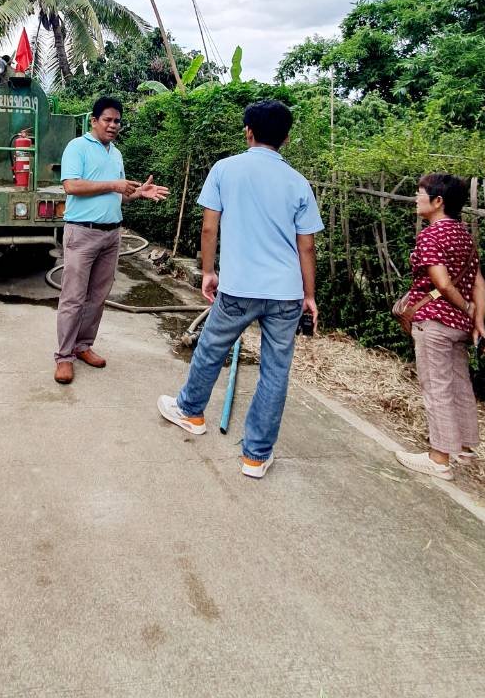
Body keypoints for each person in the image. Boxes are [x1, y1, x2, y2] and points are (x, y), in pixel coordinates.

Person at [157, 98, 322, 477]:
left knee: (212, 348)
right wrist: (309, 296)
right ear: (287, 138)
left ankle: (191, 412)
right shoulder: (297, 182)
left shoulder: (225, 169)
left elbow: (209, 227)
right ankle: (255, 456)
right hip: (286, 293)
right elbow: (307, 246)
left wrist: (209, 271)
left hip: (239, 286)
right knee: (275, 371)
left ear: (248, 131)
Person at [53, 95, 169, 384]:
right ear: (94, 121)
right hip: (82, 232)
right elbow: (71, 185)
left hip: (111, 234)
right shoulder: (77, 147)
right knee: (73, 298)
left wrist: (136, 193)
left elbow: (118, 196)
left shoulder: (115, 154)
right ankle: (64, 356)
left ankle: (83, 346)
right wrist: (114, 184)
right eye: (107, 119)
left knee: (97, 297)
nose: (113, 125)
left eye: (117, 121)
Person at [395, 173, 485, 480]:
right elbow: (479, 282)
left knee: (437, 387)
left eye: (421, 194)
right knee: (460, 384)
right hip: (459, 327)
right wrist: (476, 319)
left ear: (438, 202)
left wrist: (465, 306)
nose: (416, 198)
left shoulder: (431, 235)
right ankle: (466, 448)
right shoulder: (463, 235)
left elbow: (443, 283)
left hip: (434, 321)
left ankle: (439, 458)